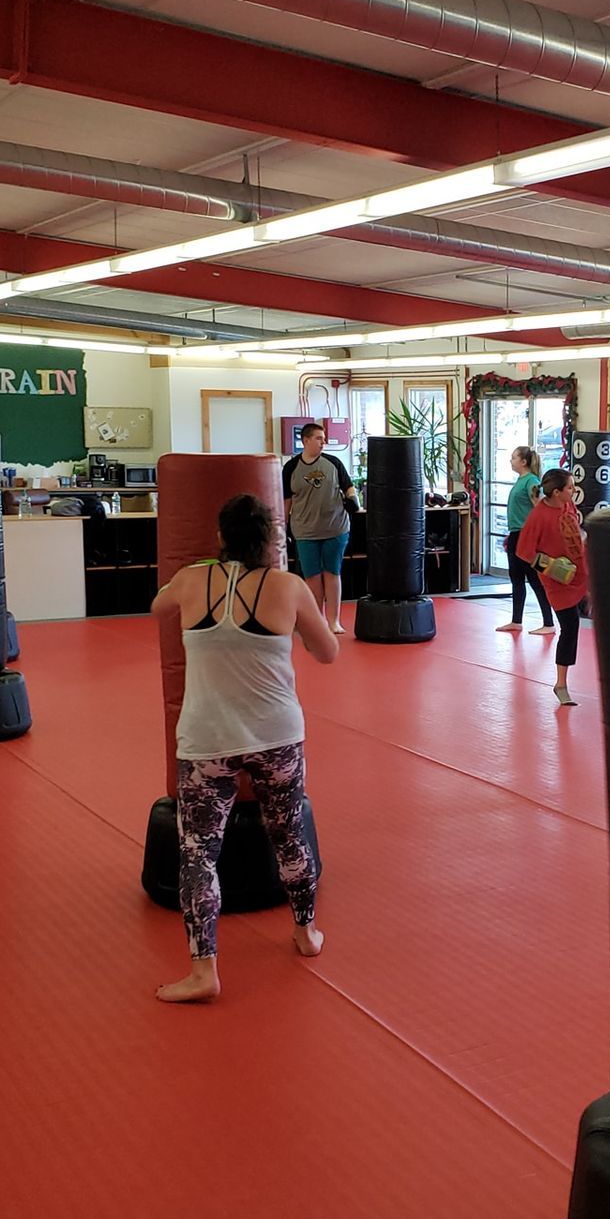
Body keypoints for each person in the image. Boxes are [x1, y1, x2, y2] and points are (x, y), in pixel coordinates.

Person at [150, 494, 338, 1003]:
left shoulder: (192, 579)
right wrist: (289, 623)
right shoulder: (288, 587)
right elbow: (329, 652)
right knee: (289, 835)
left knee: (198, 854)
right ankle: (305, 931)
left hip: (207, 740)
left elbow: (157, 606)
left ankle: (203, 969)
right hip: (276, 736)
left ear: (221, 537)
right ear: (271, 540)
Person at [516, 469, 590, 707]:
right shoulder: (539, 517)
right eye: (569, 487)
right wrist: (552, 567)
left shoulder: (567, 506)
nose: (573, 491)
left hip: (580, 571)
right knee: (570, 626)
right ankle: (561, 684)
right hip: (559, 581)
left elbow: (573, 531)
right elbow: (524, 551)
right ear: (557, 492)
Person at [282, 422, 357, 635]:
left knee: (332, 572)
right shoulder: (291, 467)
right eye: (318, 438)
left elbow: (348, 486)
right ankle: (317, 620)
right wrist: (282, 527)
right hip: (305, 530)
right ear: (305, 441)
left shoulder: (333, 463)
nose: (323, 442)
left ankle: (334, 621)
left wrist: (353, 499)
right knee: (312, 576)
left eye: (323, 438)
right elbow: (286, 500)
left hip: (335, 527)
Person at [497, 445, 556, 635]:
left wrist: (539, 535)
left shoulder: (532, 481)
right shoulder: (520, 481)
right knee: (516, 579)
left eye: (514, 458)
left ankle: (548, 622)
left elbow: (540, 507)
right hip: (516, 534)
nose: (511, 461)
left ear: (524, 462)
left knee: (535, 578)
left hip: (527, 536)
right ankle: (516, 620)